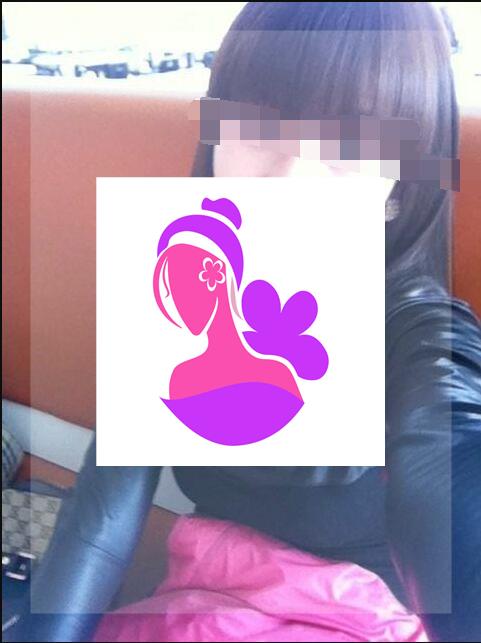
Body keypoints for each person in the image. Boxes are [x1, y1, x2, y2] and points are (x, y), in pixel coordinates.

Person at [8, 4, 481, 642]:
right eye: (259, 127)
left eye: (350, 148)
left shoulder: (417, 324)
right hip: (200, 589)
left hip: (350, 613)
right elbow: (103, 511)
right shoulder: (184, 273)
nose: (291, 178)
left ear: (400, 184)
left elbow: (447, 458)